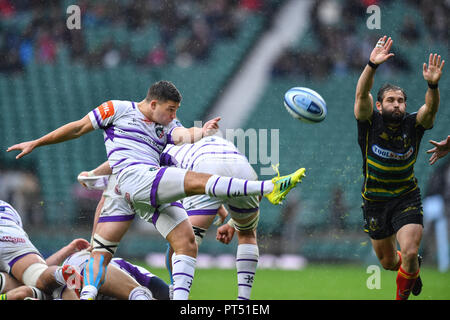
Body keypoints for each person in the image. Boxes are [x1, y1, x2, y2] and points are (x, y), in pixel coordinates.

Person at [7, 80, 305, 300]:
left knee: (184, 242)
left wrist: (201, 132)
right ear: (153, 104)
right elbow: (77, 128)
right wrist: (37, 142)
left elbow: (182, 134)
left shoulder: (165, 127)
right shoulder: (117, 109)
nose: (173, 115)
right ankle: (267, 186)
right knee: (194, 179)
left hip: (136, 189)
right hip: (132, 180)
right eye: (170, 109)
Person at [354, 35, 445, 300]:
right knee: (388, 262)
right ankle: (412, 271)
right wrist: (371, 65)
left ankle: (406, 278)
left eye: (401, 100)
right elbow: (361, 94)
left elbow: (430, 109)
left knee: (408, 252)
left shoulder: (413, 125)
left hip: (406, 197)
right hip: (374, 201)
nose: (397, 104)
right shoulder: (370, 122)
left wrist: (432, 85)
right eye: (391, 100)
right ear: (379, 105)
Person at [160, 135, 262, 300]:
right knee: (247, 233)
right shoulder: (219, 144)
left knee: (183, 242)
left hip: (206, 168)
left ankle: (178, 296)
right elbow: (256, 194)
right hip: (242, 168)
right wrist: (232, 222)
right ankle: (243, 301)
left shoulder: (164, 151)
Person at [0, 201, 87, 301]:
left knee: (30, 283)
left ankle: (33, 295)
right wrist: (67, 250)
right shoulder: (6, 206)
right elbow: (34, 272)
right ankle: (59, 274)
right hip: (12, 235)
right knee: (38, 275)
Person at [422, 158, 450, 273]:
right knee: (441, 235)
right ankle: (444, 265)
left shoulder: (441, 167)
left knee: (422, 232)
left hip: (429, 202)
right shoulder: (445, 168)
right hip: (437, 202)